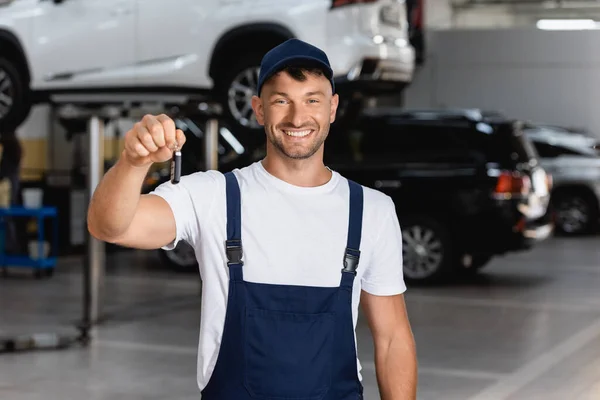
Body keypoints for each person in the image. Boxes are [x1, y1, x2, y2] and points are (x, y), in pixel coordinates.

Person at [88, 39, 417, 399]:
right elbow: (109, 226)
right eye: (281, 100)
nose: (297, 117)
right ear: (259, 109)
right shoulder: (213, 196)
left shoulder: (372, 209)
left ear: (333, 107)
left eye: (312, 99)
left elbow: (392, 339)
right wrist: (133, 163)